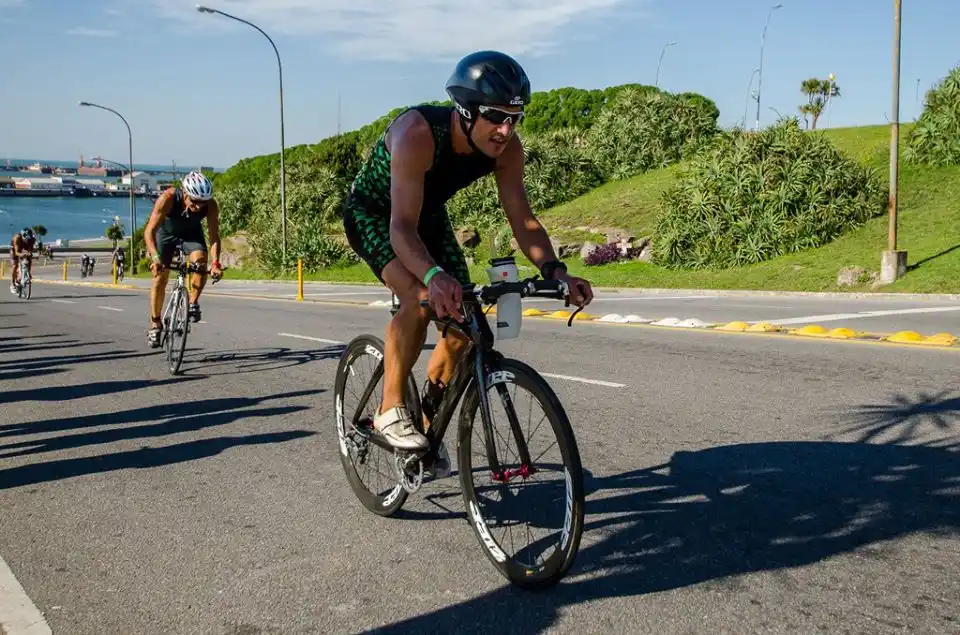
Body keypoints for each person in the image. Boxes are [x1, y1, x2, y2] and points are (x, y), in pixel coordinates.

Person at [342, 50, 594, 455]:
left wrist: (556, 271)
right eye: (495, 116)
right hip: (376, 214)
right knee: (420, 299)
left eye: (515, 118)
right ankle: (389, 408)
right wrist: (431, 277)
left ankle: (425, 425)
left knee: (466, 324)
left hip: (425, 215)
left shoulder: (508, 150)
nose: (505, 130)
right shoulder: (417, 134)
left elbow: (523, 221)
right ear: (465, 110)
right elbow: (401, 228)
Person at [143, 170, 223, 348]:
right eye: (194, 201)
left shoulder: (210, 205)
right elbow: (149, 231)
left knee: (200, 261)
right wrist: (155, 258)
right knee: (160, 278)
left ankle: (193, 303)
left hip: (191, 233)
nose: (198, 207)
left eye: (202, 203)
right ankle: (155, 324)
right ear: (185, 193)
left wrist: (216, 263)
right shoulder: (169, 198)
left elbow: (214, 237)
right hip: (166, 234)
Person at [9, 227, 36, 294]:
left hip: (24, 248)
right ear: (22, 236)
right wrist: (23, 254)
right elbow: (17, 252)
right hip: (14, 250)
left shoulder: (32, 240)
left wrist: (29, 254)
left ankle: (26, 274)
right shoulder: (17, 238)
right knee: (15, 265)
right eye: (26, 239)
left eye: (28, 239)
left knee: (29, 257)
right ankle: (12, 284)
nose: (27, 240)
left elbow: (31, 250)